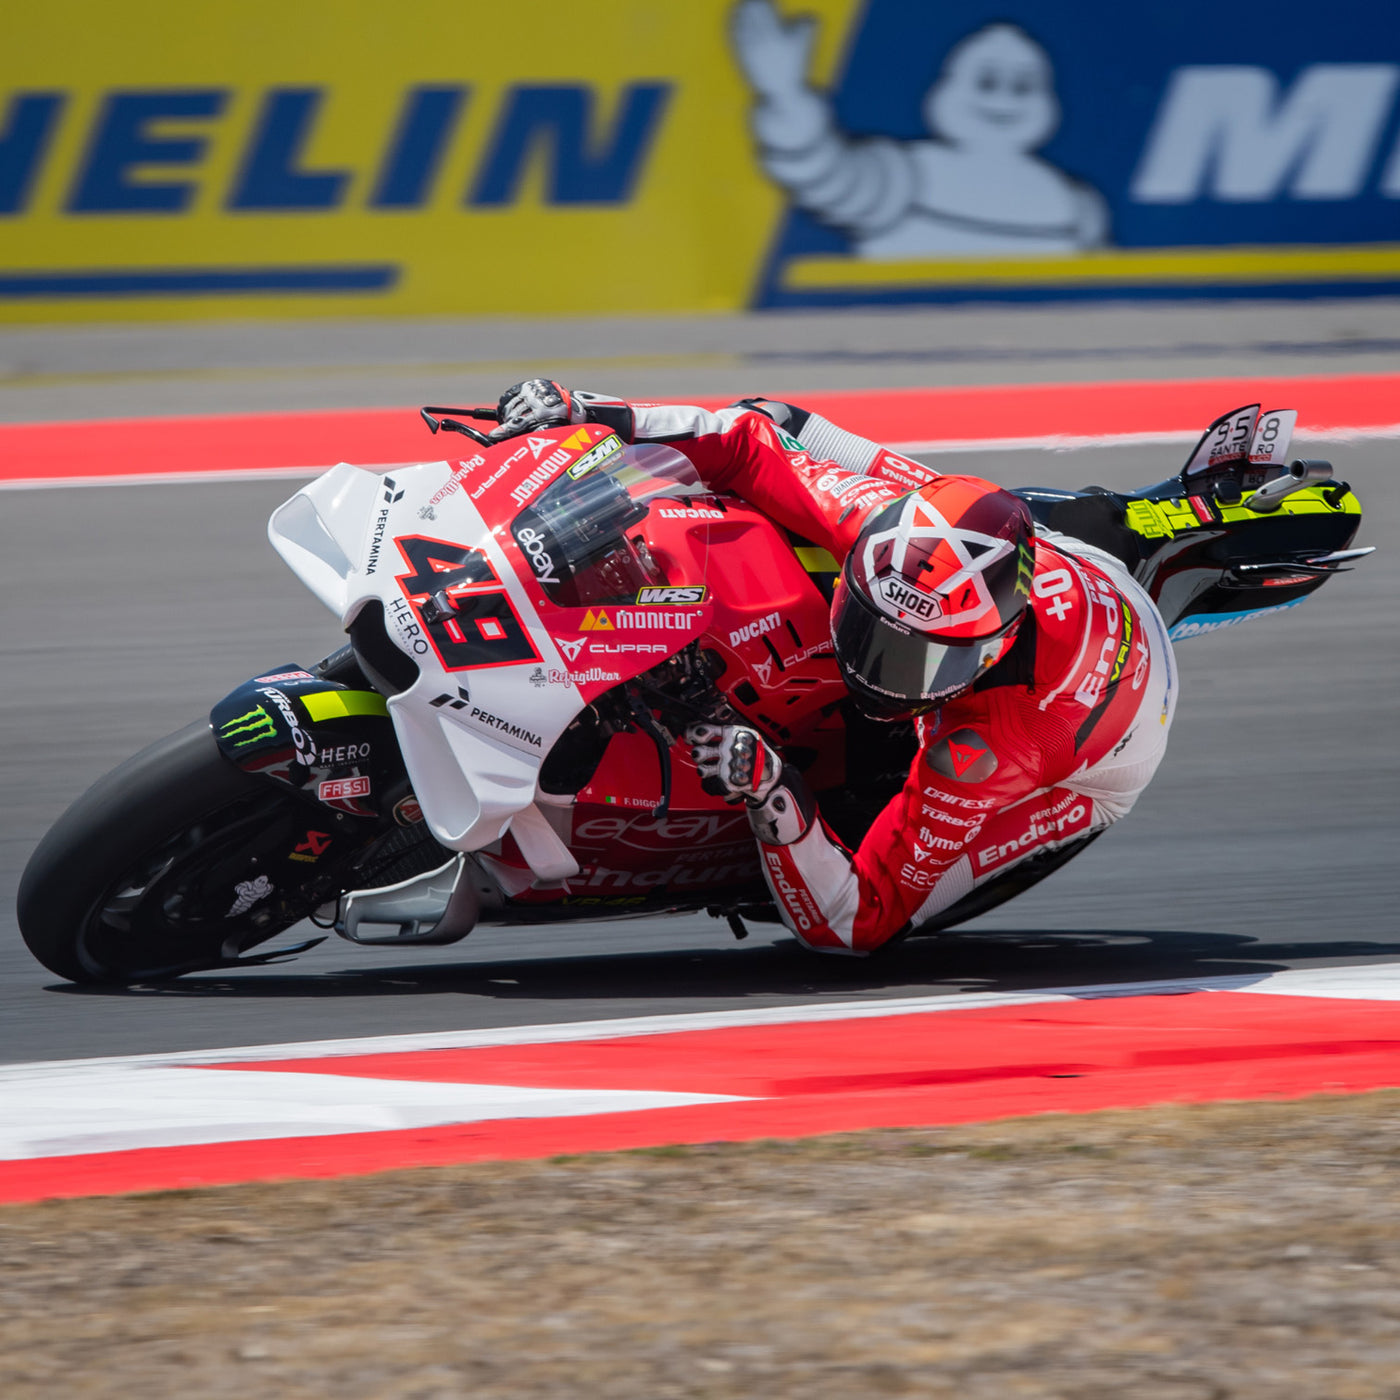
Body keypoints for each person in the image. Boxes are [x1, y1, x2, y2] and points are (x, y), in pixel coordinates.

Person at [490, 379, 1178, 955]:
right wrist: (592, 411)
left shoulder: (993, 746)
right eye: (871, 629)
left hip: (1095, 761)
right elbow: (745, 443)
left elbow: (854, 922)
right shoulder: (881, 524)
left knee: (860, 887)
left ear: (990, 649)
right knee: (773, 418)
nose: (880, 674)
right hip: (1052, 558)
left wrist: (772, 792)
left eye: (921, 661)